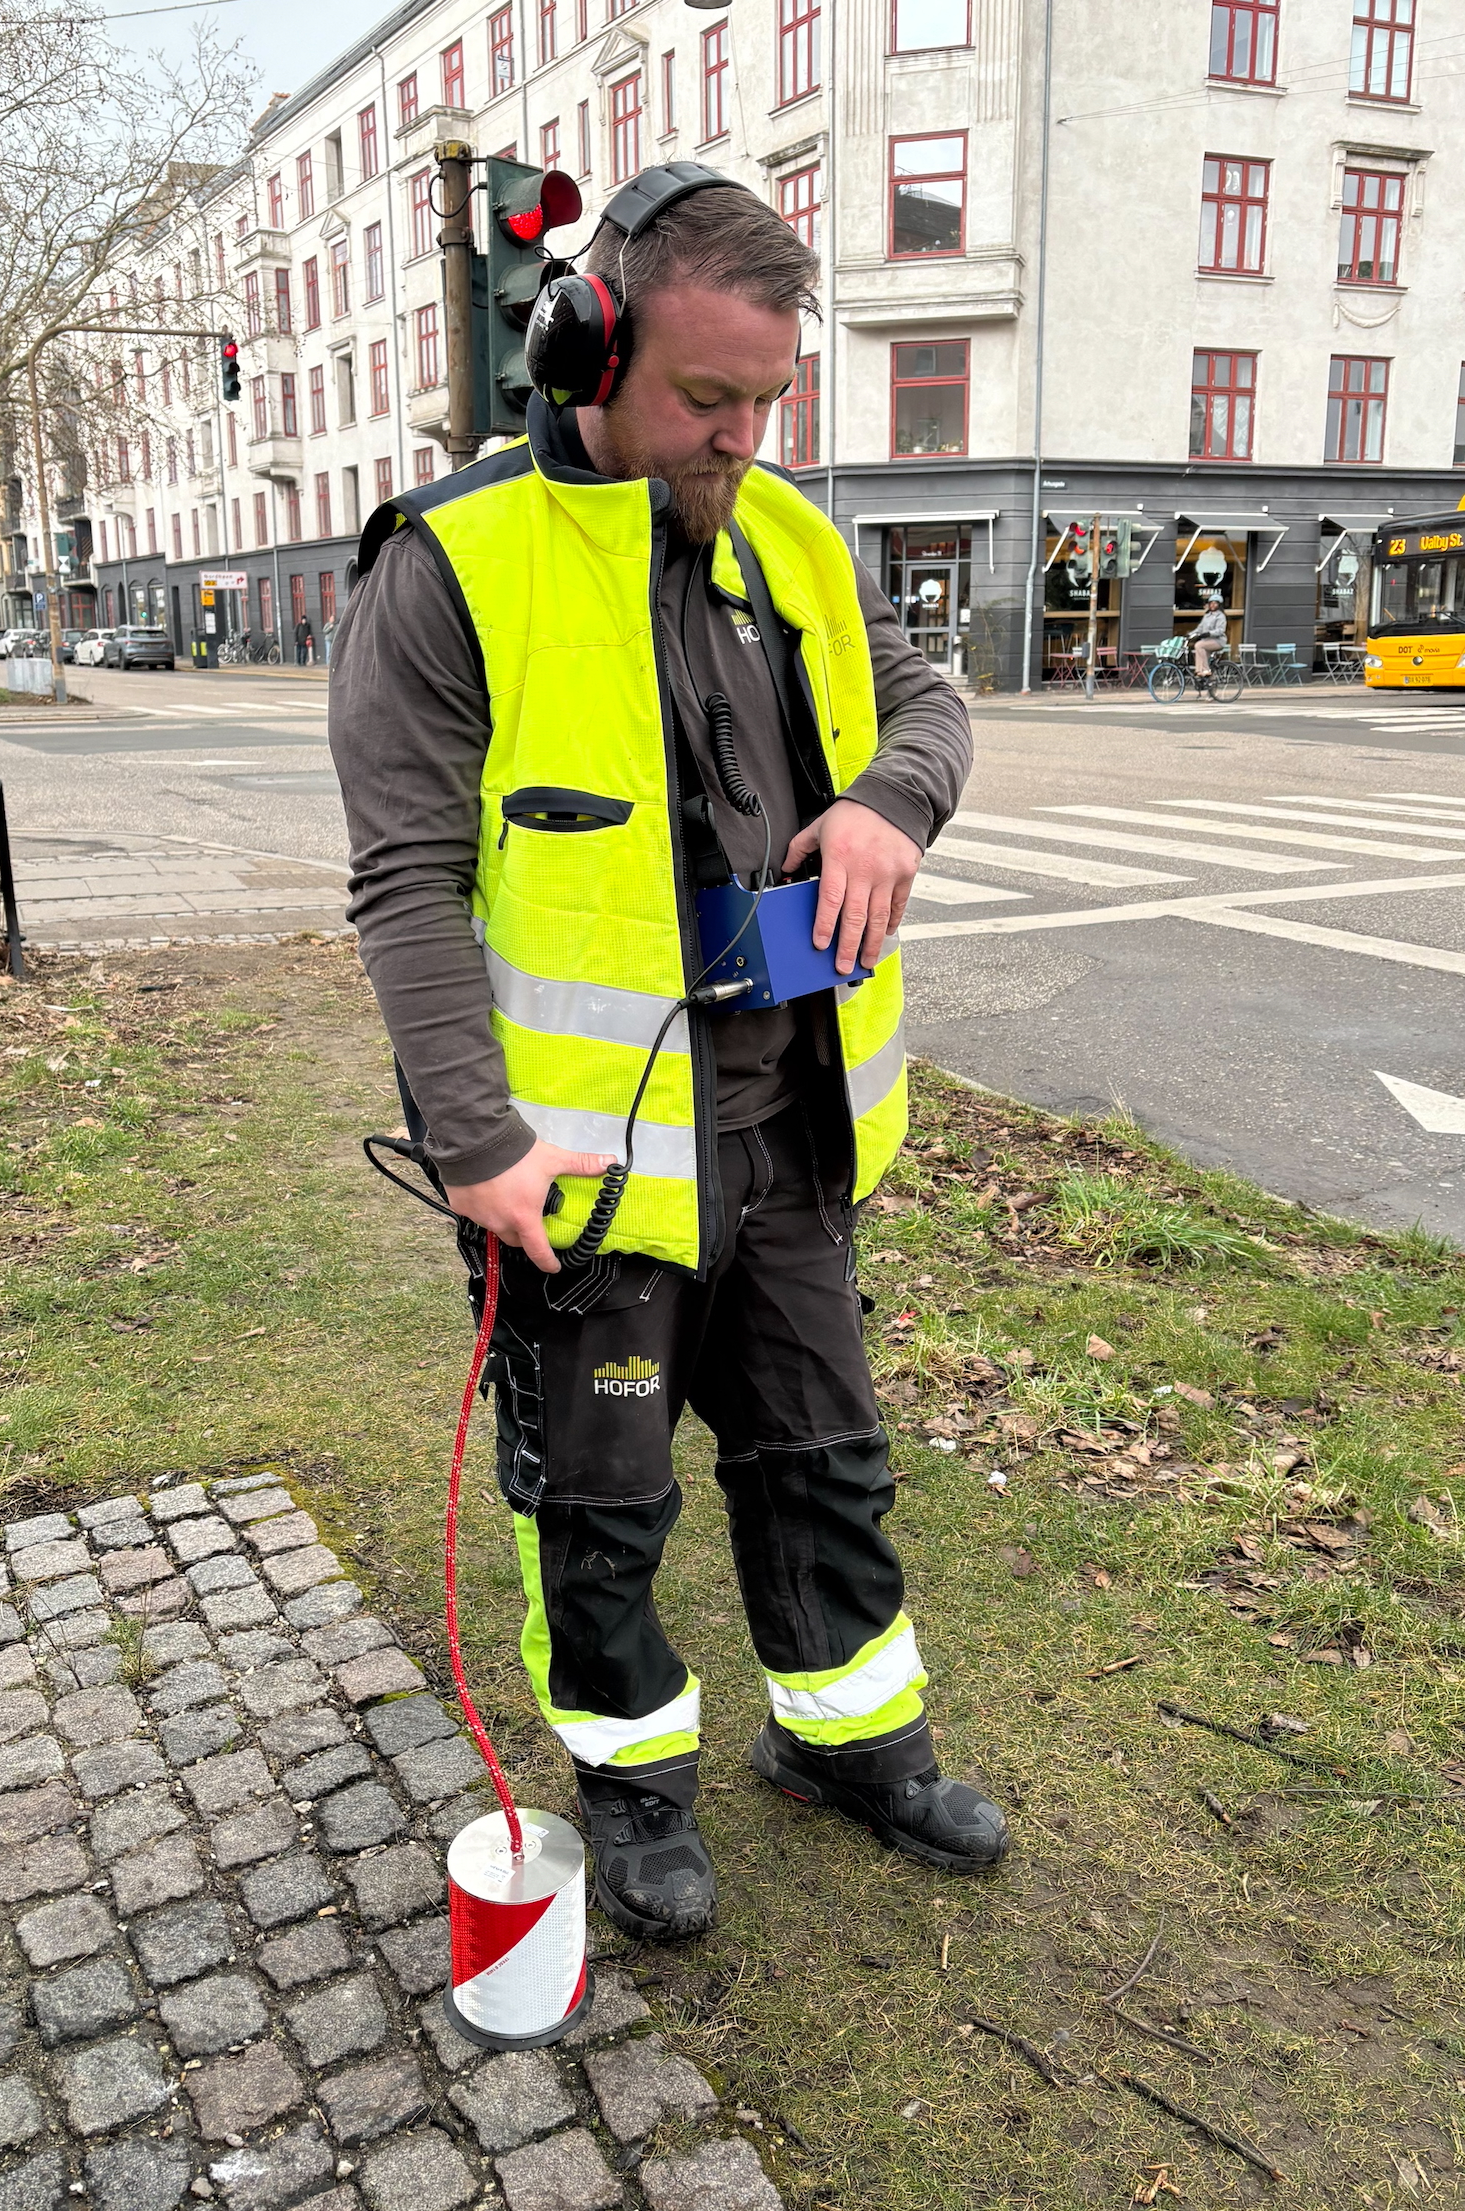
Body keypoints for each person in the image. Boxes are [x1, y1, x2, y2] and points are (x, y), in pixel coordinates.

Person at [329, 169, 1006, 1943]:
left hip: (785, 1130)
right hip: (583, 1169)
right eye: (707, 398)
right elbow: (404, 884)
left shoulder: (791, 540)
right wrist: (476, 1145)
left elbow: (928, 699)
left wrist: (893, 801)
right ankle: (633, 1791)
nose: (740, 438)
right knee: (599, 1508)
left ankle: (850, 1744)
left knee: (824, 1460)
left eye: (769, 399)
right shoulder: (446, 566)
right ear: (587, 348)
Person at [1186, 590, 1228, 680]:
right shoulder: (1207, 616)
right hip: (1207, 641)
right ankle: (1203, 675)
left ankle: (1205, 669)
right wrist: (1190, 634)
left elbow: (1220, 630)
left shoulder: (1221, 616)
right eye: (1211, 603)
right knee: (1200, 651)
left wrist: (1209, 633)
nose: (1212, 605)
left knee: (1199, 645)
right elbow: (1200, 628)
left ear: (1219, 605)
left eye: (1215, 603)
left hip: (1218, 641)